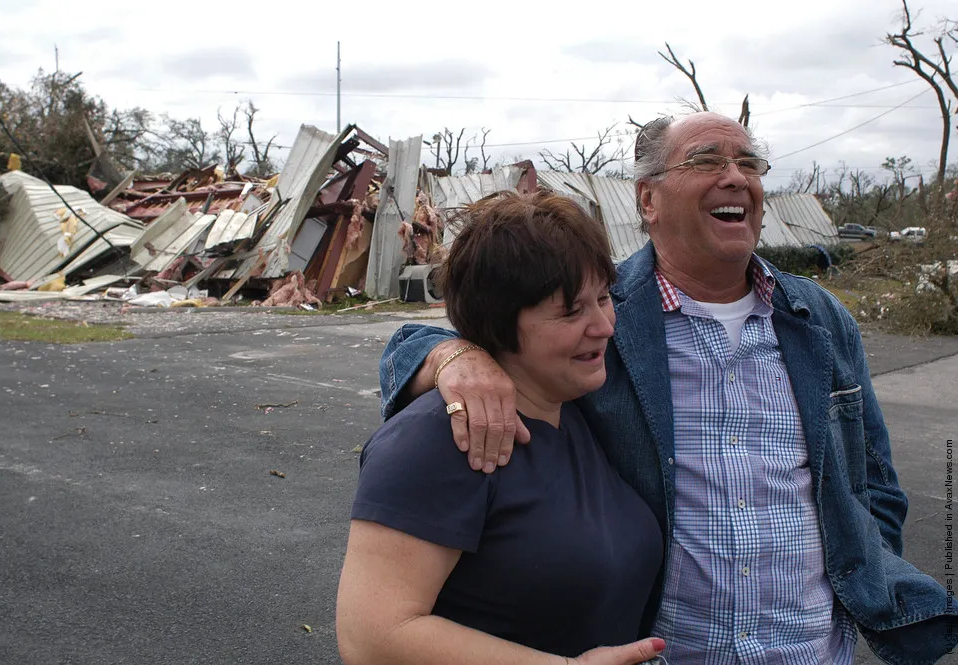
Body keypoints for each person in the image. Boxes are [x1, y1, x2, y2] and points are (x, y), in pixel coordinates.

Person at [377, 112, 958, 664]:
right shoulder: (605, 311)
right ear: (648, 199)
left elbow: (873, 482)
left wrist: (866, 571)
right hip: (660, 649)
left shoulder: (821, 318)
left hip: (810, 649)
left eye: (750, 163)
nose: (736, 176)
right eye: (706, 160)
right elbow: (444, 337)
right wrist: (454, 354)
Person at [336, 191, 668, 665]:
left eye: (603, 298)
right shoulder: (438, 439)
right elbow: (373, 638)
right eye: (572, 311)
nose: (605, 326)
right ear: (499, 320)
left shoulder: (574, 410)